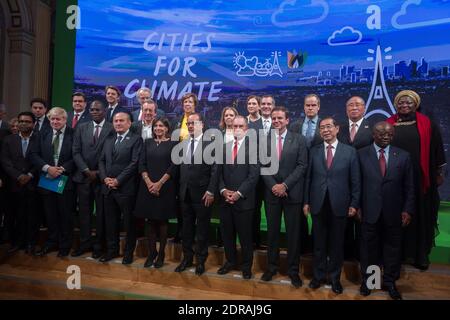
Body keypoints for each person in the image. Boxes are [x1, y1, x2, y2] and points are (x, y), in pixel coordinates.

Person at [386, 90, 446, 270]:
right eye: (401, 103)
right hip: (396, 178)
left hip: (420, 177)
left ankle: (419, 255)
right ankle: (398, 254)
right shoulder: (389, 124)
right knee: (395, 215)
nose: (404, 105)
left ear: (416, 104)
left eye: (408, 103)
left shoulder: (427, 124)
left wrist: (438, 173)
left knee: (418, 215)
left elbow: (437, 150)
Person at [303, 117, 361, 294]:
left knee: (336, 244)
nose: (325, 130)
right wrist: (306, 201)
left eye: (329, 126)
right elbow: (308, 179)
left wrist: (354, 203)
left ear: (337, 129)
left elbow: (355, 180)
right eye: (322, 128)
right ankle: (318, 276)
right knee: (319, 243)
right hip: (318, 203)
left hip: (340, 204)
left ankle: (335, 278)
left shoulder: (349, 152)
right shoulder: (313, 151)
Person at [358, 121, 414, 300]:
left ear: (393, 135)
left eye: (389, 134)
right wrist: (357, 206)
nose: (385, 136)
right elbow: (356, 184)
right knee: (369, 250)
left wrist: (408, 210)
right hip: (369, 211)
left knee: (392, 249)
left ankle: (390, 282)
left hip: (394, 212)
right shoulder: (361, 154)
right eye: (381, 133)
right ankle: (370, 282)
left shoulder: (404, 156)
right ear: (373, 134)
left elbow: (410, 187)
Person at [261, 106, 307, 288]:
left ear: (287, 120)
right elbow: (262, 166)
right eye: (274, 118)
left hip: (292, 193)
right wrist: (274, 186)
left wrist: (285, 185)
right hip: (272, 194)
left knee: (293, 235)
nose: (276, 121)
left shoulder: (299, 139)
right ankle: (271, 268)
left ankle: (293, 271)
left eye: (280, 118)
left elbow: (302, 165)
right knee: (272, 234)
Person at [175, 113, 218, 276]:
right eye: (189, 124)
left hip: (203, 194)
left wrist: (211, 190)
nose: (191, 126)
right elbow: (181, 170)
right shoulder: (184, 144)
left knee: (202, 229)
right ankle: (186, 259)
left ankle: (201, 261)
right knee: (186, 229)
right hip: (184, 194)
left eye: (194, 123)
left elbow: (215, 170)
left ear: (202, 125)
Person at [217, 116, 259, 279]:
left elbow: (253, 176)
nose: (237, 129)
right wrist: (222, 190)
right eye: (235, 126)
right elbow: (218, 174)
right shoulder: (224, 148)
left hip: (244, 200)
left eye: (241, 126)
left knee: (245, 236)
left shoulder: (254, 149)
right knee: (227, 234)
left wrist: (238, 194)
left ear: (247, 129)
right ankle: (230, 262)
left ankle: (246, 266)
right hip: (225, 200)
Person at [29, 107, 75, 258]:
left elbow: (78, 155)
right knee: (50, 215)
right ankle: (51, 242)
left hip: (65, 180)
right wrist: (48, 168)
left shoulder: (74, 134)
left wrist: (62, 169)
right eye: (52, 119)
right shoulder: (42, 134)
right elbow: (34, 154)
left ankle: (64, 245)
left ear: (65, 120)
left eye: (58, 119)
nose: (55, 122)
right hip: (47, 179)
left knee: (65, 215)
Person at [99, 112, 142, 264]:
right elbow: (102, 161)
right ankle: (112, 250)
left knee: (129, 223)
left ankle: (128, 253)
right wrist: (105, 178)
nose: (118, 123)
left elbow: (134, 163)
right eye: (116, 121)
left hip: (126, 188)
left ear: (129, 123)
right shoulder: (109, 140)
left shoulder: (136, 140)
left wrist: (118, 180)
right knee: (110, 222)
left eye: (121, 121)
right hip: (108, 187)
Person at [72, 100, 113, 258]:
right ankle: (85, 243)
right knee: (84, 213)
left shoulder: (111, 128)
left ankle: (98, 245)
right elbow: (75, 151)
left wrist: (99, 173)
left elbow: (111, 154)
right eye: (92, 109)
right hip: (83, 178)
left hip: (102, 178)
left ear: (104, 111)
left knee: (102, 214)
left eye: (97, 109)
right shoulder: (82, 127)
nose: (94, 112)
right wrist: (86, 170)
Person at [134, 117, 177, 268]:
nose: (158, 128)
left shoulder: (174, 144)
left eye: (161, 126)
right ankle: (151, 253)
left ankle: (161, 254)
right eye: (156, 126)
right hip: (147, 188)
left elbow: (173, 166)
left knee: (162, 222)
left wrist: (159, 184)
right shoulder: (147, 143)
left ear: (167, 128)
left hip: (165, 188)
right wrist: (149, 183)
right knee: (150, 222)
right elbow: (142, 163)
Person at [337, 96, 373, 261]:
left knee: (362, 223)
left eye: (357, 104)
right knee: (343, 224)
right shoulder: (340, 129)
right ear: (346, 109)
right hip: (342, 183)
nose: (354, 107)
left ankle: (362, 259)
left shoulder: (372, 128)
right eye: (350, 105)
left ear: (364, 108)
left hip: (365, 182)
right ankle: (346, 257)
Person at [1, 112, 39, 255]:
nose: (23, 124)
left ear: (33, 124)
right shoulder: (8, 140)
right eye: (21, 121)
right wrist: (18, 176)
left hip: (33, 183)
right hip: (14, 184)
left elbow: (41, 159)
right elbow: (5, 161)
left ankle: (30, 243)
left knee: (32, 216)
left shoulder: (39, 139)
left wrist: (29, 175)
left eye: (27, 122)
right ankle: (17, 242)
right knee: (14, 215)